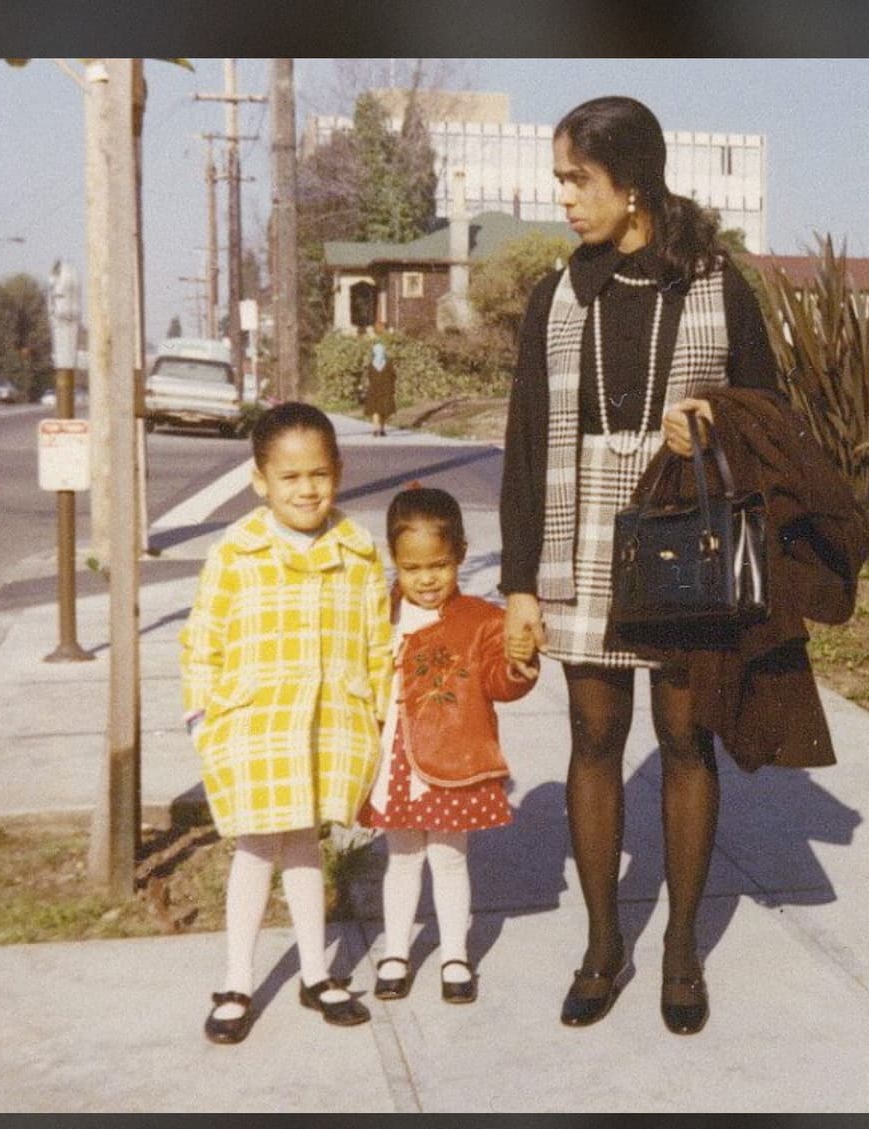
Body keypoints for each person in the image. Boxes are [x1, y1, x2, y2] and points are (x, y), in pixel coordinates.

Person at [499, 96, 781, 1036]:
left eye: (578, 180)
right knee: (592, 736)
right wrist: (518, 585)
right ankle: (601, 944)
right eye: (561, 180)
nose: (565, 198)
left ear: (632, 183)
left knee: (687, 738)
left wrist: (710, 420)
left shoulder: (717, 284)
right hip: (578, 533)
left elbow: (770, 413)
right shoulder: (557, 294)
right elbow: (524, 442)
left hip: (681, 532)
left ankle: (682, 947)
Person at [180, 401, 391, 1044]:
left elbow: (377, 643)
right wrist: (201, 717)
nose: (306, 489)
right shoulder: (236, 551)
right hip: (254, 724)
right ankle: (237, 980)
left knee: (304, 844)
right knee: (254, 848)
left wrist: (379, 715)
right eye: (290, 477)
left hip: (328, 722)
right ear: (260, 480)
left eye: (319, 474)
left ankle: (315, 973)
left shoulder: (358, 551)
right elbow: (203, 639)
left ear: (338, 472)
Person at [358, 485, 538, 1003]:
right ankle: (396, 952)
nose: (426, 579)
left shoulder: (481, 620)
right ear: (394, 560)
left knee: (449, 857)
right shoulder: (380, 614)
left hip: (453, 760)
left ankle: (455, 954)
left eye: (438, 565)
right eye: (411, 568)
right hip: (394, 760)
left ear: (459, 554)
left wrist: (518, 659)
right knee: (402, 858)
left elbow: (500, 683)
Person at [364, 337, 397, 437]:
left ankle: (375, 429)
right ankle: (382, 429)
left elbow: (369, 376)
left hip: (374, 390)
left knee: (375, 410)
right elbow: (393, 376)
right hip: (386, 389)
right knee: (384, 410)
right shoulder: (389, 363)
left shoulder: (371, 365)